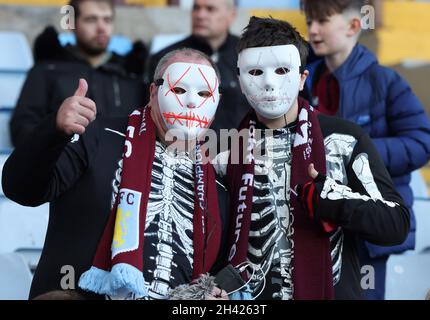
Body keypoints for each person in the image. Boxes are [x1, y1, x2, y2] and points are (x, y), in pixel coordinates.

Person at [2, 48, 225, 300]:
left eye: (204, 93)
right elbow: (21, 188)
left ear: (216, 103)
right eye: (179, 89)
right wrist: (53, 130)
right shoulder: (99, 137)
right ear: (153, 93)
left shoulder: (217, 183)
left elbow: (217, 273)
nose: (191, 102)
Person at [213, 16, 410, 300]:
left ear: (303, 78)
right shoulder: (227, 151)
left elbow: (395, 225)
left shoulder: (344, 139)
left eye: (282, 70)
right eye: (255, 72)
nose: (269, 84)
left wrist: (336, 200)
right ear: (240, 81)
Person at [301, 0, 430, 299]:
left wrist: (358, 153)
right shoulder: (300, 81)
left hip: (366, 230)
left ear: (353, 26)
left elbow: (421, 142)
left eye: (322, 21)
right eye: (309, 21)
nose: (312, 30)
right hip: (314, 223)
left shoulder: (385, 81)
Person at [10, 0, 147, 147]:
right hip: (62, 163)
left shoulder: (128, 74)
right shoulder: (47, 70)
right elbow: (21, 130)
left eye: (107, 20)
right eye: (91, 19)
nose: (101, 28)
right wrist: (56, 126)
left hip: (120, 164)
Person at [147, 0, 250, 135]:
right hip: (180, 148)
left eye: (210, 9)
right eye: (196, 8)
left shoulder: (249, 56)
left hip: (240, 149)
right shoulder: (168, 59)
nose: (200, 15)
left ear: (231, 14)